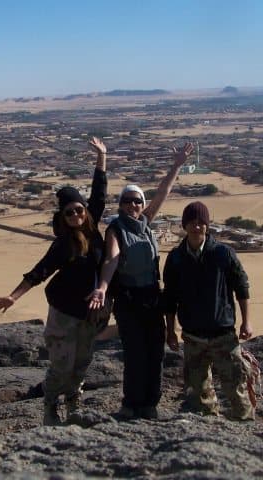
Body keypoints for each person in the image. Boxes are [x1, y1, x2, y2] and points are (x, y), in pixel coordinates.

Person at [0, 137, 107, 426]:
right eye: (69, 212)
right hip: (65, 312)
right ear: (62, 216)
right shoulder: (63, 245)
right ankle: (51, 406)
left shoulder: (93, 230)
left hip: (91, 311)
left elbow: (100, 193)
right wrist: (13, 297)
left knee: (82, 362)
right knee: (61, 365)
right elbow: (38, 273)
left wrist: (102, 158)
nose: (76, 215)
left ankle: (74, 403)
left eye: (79, 209)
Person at [87, 142, 194, 420]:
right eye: (128, 200)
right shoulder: (116, 229)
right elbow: (111, 259)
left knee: (155, 352)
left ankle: (151, 404)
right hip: (129, 301)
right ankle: (131, 404)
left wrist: (177, 165)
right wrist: (102, 286)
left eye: (137, 201)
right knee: (135, 353)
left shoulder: (145, 223)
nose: (133, 204)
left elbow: (163, 192)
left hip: (151, 297)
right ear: (120, 205)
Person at [161, 201, 255, 420]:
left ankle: (247, 427)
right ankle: (209, 431)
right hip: (193, 337)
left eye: (201, 222)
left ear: (207, 225)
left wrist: (246, 321)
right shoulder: (175, 258)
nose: (196, 227)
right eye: (192, 223)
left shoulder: (224, 254)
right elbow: (169, 298)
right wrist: (170, 330)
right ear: (184, 225)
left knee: (235, 387)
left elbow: (242, 287)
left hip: (223, 335)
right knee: (198, 391)